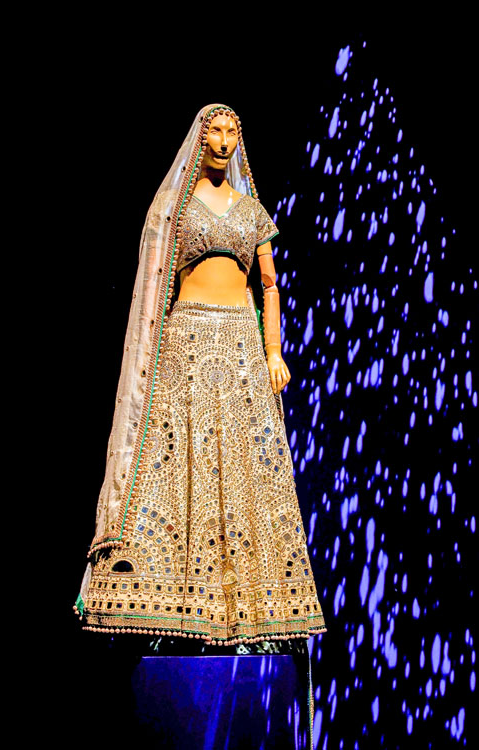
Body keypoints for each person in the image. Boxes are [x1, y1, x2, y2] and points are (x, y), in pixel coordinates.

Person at [74, 103, 327, 656]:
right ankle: (167, 609)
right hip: (184, 341)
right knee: (175, 467)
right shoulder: (175, 208)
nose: (224, 139)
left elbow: (269, 286)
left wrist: (274, 351)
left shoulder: (252, 210)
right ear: (200, 137)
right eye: (215, 130)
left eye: (232, 131)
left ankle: (247, 612)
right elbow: (156, 283)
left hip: (240, 345)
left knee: (243, 470)